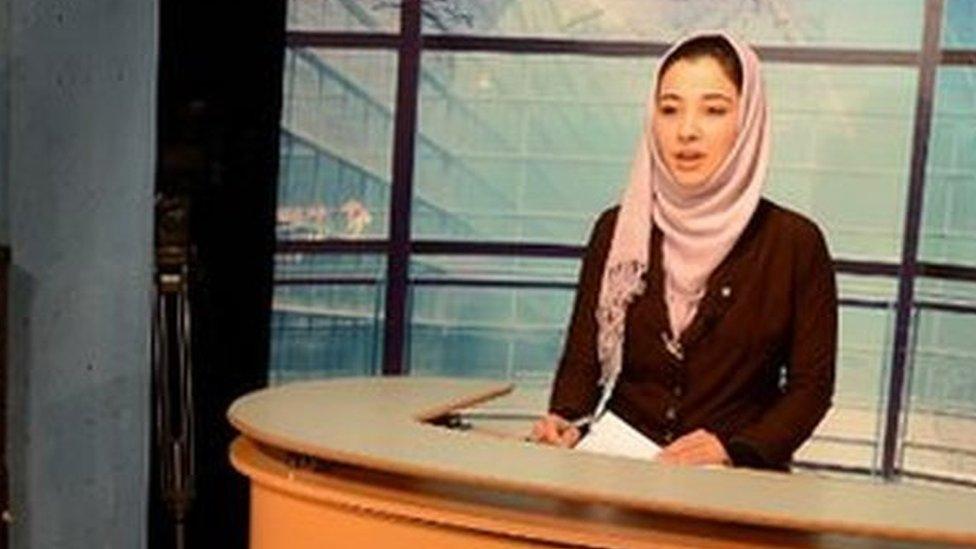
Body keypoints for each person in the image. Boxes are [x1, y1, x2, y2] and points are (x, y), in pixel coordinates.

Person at [530, 31, 837, 471]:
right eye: (669, 109)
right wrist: (566, 419)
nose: (686, 131)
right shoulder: (616, 230)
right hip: (619, 464)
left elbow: (811, 388)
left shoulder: (795, 243)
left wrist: (737, 449)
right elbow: (584, 358)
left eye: (713, 110)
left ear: (747, 121)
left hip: (735, 478)